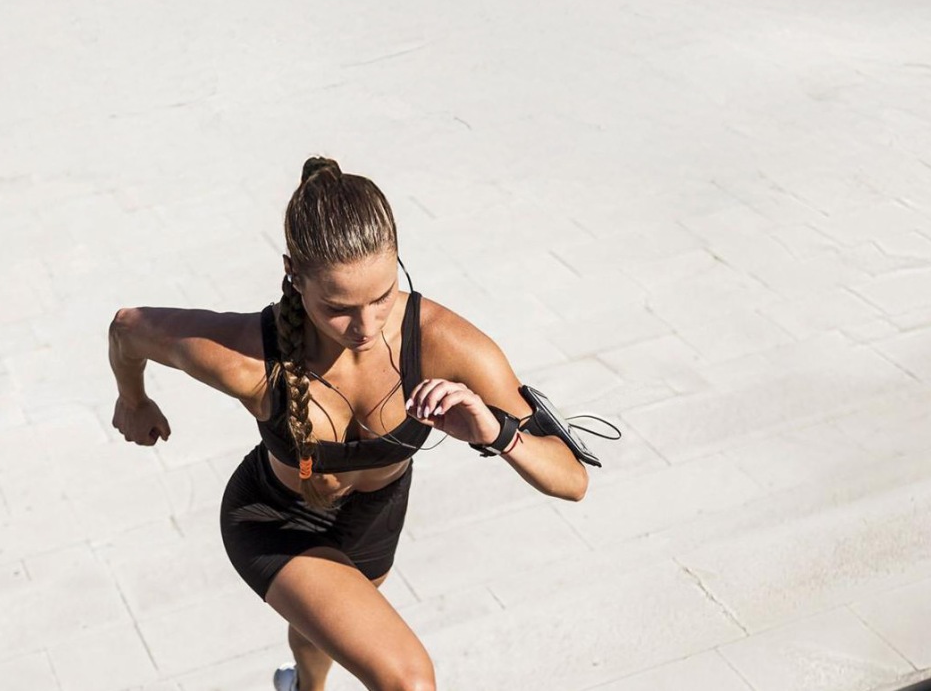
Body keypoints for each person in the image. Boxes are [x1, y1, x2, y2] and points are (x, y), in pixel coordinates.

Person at [106, 157, 591, 691]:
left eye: (381, 297)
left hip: (374, 518)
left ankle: (298, 686)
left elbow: (571, 481)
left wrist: (496, 434)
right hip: (275, 520)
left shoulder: (442, 342)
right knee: (406, 680)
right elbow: (128, 328)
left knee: (320, 633)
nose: (364, 326)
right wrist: (134, 402)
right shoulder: (248, 358)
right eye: (338, 308)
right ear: (292, 272)